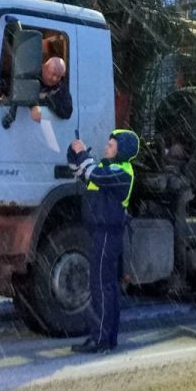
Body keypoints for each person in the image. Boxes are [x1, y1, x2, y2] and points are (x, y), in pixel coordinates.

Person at [66, 129, 140, 354]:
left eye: (111, 145)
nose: (106, 147)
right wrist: (74, 153)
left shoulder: (121, 172)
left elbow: (93, 174)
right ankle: (107, 337)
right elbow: (82, 171)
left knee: (101, 286)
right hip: (102, 232)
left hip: (108, 233)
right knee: (106, 286)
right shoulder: (108, 169)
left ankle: (100, 339)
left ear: (122, 150)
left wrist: (83, 155)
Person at [31, 56, 73, 121]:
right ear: (44, 68)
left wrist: (49, 98)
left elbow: (67, 112)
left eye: (59, 76)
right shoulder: (31, 79)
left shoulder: (60, 88)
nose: (55, 79)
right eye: (53, 74)